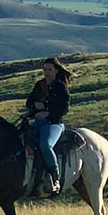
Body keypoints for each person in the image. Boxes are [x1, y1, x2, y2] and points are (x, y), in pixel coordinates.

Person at [23, 57, 71, 197]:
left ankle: (55, 178)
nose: (47, 72)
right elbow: (29, 101)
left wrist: (47, 112)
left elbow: (64, 108)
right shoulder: (40, 85)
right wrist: (35, 106)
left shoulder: (60, 86)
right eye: (45, 70)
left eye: (50, 69)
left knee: (45, 145)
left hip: (54, 124)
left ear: (56, 71)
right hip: (38, 122)